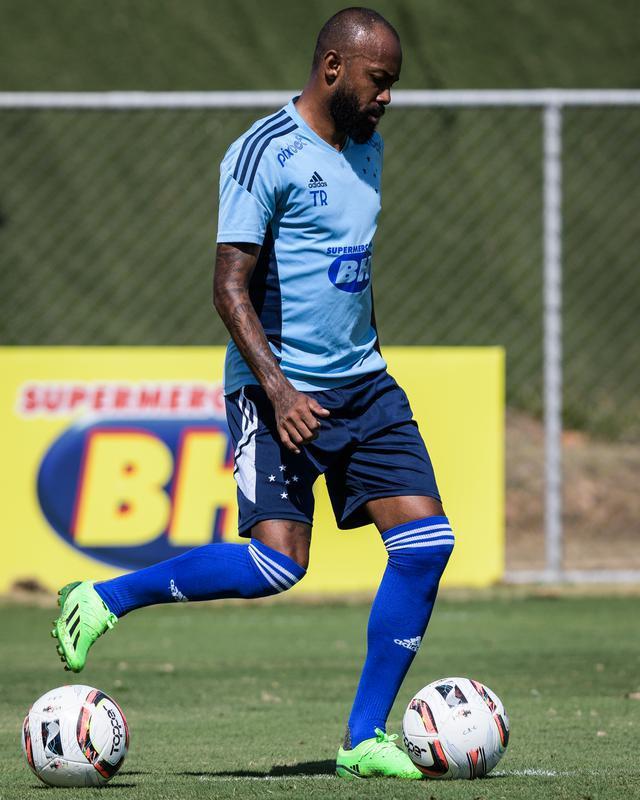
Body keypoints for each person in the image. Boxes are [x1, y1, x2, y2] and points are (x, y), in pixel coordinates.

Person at [51, 7, 454, 780]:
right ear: (333, 68)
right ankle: (106, 597)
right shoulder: (261, 151)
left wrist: (366, 354)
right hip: (278, 389)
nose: (387, 99)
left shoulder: (368, 148)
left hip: (365, 385)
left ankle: (364, 741)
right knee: (277, 567)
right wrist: (278, 389)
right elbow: (228, 284)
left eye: (393, 85)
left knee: (426, 544)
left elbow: (351, 269)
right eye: (379, 82)